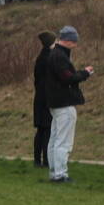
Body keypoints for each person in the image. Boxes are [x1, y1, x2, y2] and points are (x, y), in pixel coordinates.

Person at [44, 26, 93, 183]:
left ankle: (54, 172)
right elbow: (68, 78)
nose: (75, 44)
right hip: (64, 103)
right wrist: (85, 73)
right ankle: (60, 174)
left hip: (55, 103)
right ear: (67, 40)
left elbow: (66, 76)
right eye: (74, 41)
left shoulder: (54, 54)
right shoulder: (60, 56)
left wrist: (79, 73)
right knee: (63, 141)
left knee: (55, 139)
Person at [33, 31, 56, 167]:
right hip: (47, 98)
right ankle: (47, 160)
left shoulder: (41, 57)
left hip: (39, 97)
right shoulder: (49, 58)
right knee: (48, 130)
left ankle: (37, 159)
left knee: (41, 130)